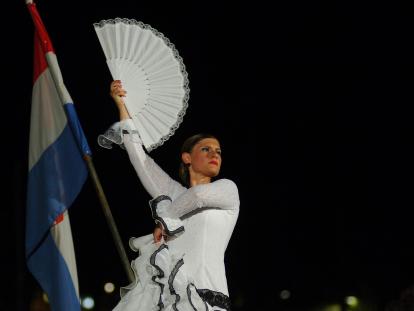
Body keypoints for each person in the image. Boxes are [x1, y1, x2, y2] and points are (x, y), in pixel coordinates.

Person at [98, 80, 240, 311]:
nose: (215, 154)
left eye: (218, 151)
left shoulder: (227, 190)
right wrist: (121, 105)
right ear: (187, 158)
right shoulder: (174, 194)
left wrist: (166, 220)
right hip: (168, 299)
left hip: (208, 298)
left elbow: (199, 197)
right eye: (206, 149)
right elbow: (141, 161)